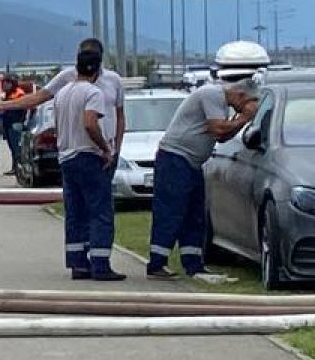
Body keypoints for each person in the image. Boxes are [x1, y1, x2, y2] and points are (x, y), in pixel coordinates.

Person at [147, 41, 268, 281]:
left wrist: (240, 119)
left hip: (191, 162)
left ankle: (194, 264)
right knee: (171, 210)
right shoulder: (211, 93)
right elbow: (218, 130)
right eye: (246, 101)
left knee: (195, 213)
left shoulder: (224, 104)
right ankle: (156, 263)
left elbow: (223, 136)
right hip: (175, 159)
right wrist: (244, 118)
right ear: (240, 92)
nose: (244, 106)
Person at [55, 49, 124, 280]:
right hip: (87, 155)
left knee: (75, 212)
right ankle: (101, 264)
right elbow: (90, 123)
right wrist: (105, 148)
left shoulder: (62, 93)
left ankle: (77, 263)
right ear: (96, 70)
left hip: (66, 156)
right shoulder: (93, 92)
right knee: (100, 211)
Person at [0, 74, 28, 176]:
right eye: (3, 83)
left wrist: (21, 121)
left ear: (12, 83)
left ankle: (19, 167)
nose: (4, 86)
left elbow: (23, 109)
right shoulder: (5, 95)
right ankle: (14, 167)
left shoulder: (19, 94)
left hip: (15, 124)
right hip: (7, 124)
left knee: (17, 148)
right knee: (12, 147)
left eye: (6, 83)